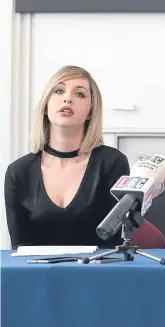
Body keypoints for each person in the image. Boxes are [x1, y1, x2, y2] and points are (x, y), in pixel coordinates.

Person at [5, 65, 130, 249]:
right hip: (40, 275)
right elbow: (20, 247)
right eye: (59, 91)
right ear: (46, 107)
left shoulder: (112, 163)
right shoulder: (18, 171)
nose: (67, 98)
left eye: (79, 94)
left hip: (97, 273)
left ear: (90, 112)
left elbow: (114, 244)